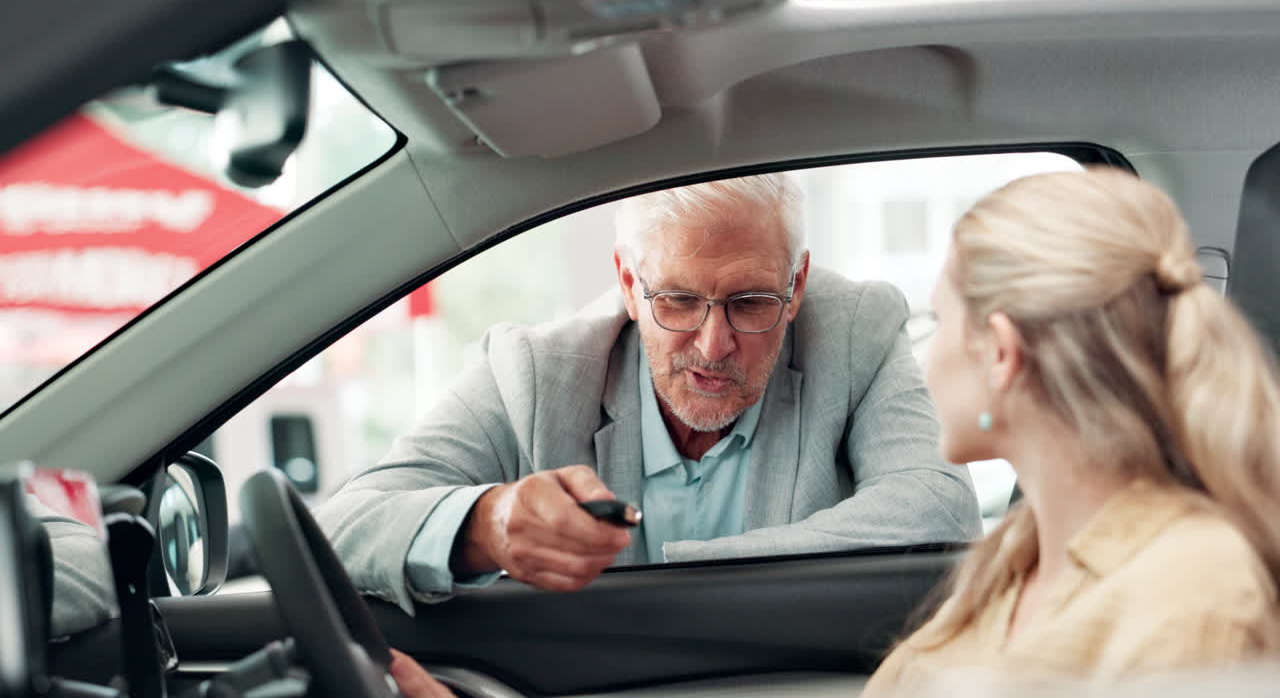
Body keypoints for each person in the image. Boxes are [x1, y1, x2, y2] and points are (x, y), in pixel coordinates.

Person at [315, 173, 980, 615]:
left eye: (750, 302)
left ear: (797, 284)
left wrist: (684, 577)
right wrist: (486, 525)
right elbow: (343, 527)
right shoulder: (534, 371)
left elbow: (938, 511)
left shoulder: (854, 330)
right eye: (679, 300)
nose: (713, 345)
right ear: (629, 285)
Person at [863, 168, 1280, 694]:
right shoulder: (1017, 556)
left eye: (941, 321)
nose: (927, 365)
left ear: (1000, 353)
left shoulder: (1195, 587)